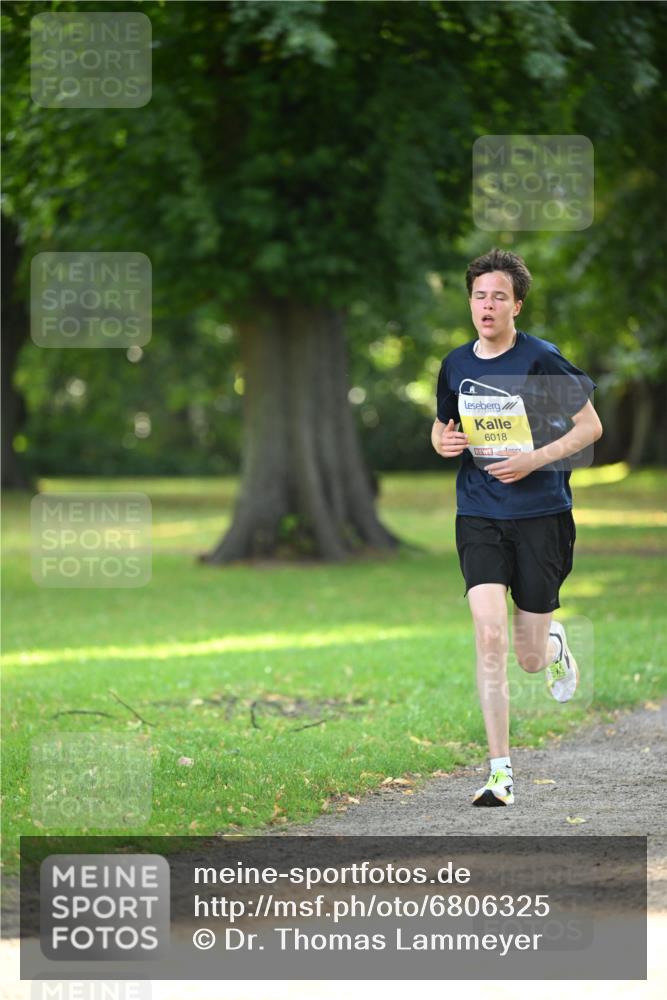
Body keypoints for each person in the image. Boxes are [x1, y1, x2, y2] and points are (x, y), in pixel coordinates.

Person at [432, 248, 603, 807]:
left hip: (539, 516)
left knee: (526, 657)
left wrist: (534, 459)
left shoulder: (540, 360)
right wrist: (445, 441)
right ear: (470, 302)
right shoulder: (457, 364)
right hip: (479, 512)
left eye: (498, 296)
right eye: (479, 295)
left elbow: (589, 429)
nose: (487, 305)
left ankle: (551, 644)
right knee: (488, 636)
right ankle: (500, 773)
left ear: (516, 305)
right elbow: (441, 430)